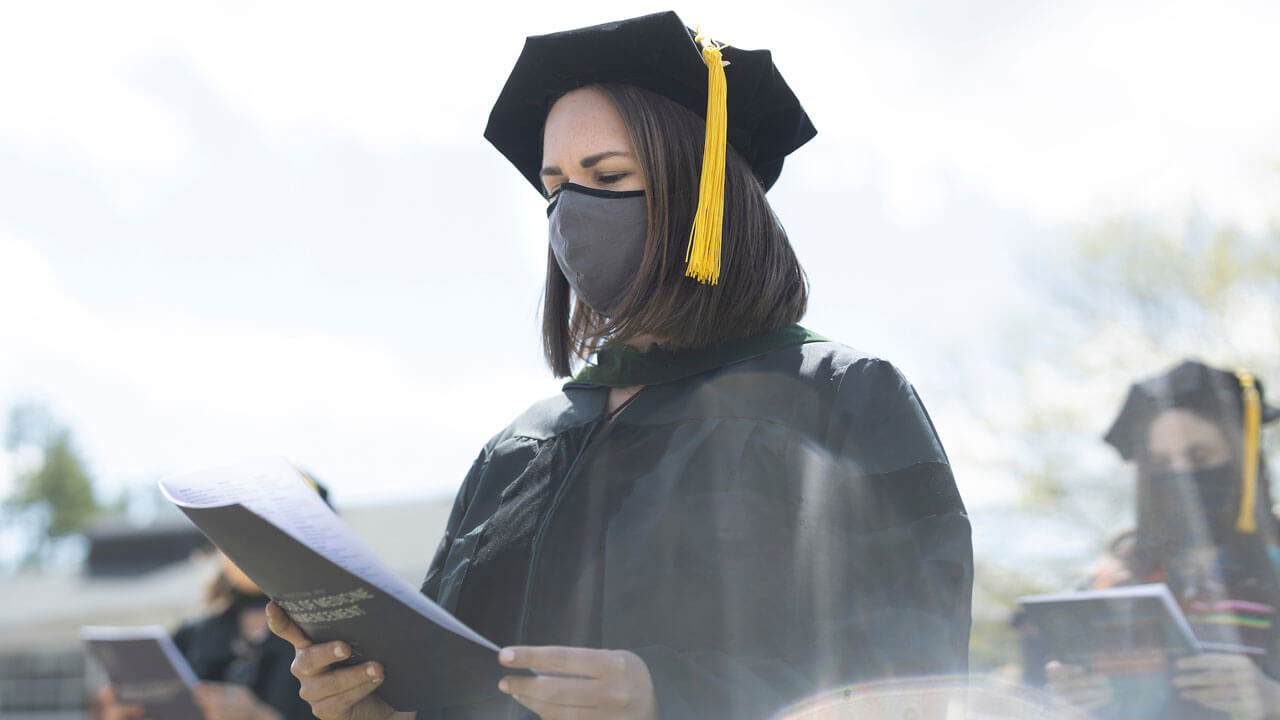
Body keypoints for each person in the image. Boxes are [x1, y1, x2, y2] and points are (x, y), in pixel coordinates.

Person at [267, 11, 973, 720]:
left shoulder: (839, 398)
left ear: (705, 193)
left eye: (606, 174)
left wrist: (671, 698)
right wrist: (373, 708)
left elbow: (913, 678)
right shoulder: (519, 449)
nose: (571, 210)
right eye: (555, 187)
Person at [1045, 360, 1280, 719]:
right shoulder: (1111, 581)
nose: (1181, 477)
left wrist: (1271, 699)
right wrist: (1072, 701)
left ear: (1244, 460)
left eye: (1198, 456)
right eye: (1161, 464)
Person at [97, 474, 330, 720]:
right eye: (235, 527)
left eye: (269, 526)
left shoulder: (335, 636)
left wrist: (256, 716)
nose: (247, 543)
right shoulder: (190, 637)